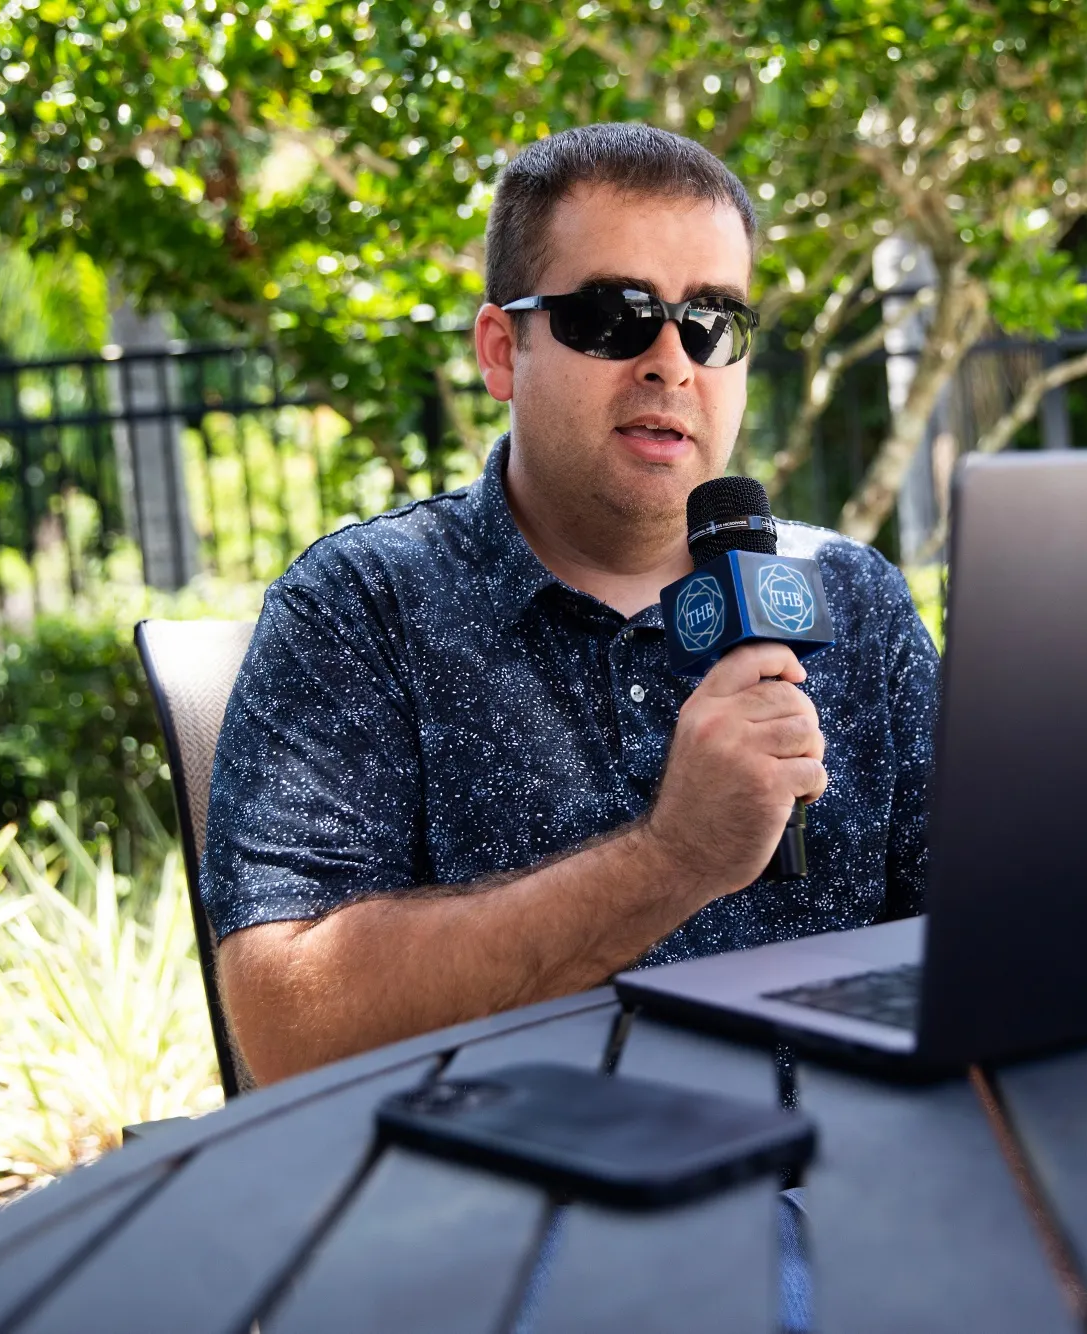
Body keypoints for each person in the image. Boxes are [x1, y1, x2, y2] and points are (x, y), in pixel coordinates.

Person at [202, 123, 940, 1084]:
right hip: (521, 1204)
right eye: (614, 314)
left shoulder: (854, 596)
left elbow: (994, 936)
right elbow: (287, 1029)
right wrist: (672, 857)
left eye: (712, 320)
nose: (672, 361)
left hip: (863, 1181)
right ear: (501, 350)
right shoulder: (360, 609)